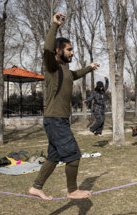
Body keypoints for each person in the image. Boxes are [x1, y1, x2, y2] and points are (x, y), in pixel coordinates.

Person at [28, 12, 100, 200]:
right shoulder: (52, 67)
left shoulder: (66, 70)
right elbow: (46, 49)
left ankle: (37, 187)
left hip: (58, 120)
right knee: (74, 155)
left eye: (72, 49)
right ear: (59, 51)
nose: (72, 52)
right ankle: (72, 190)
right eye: (69, 49)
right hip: (55, 120)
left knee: (53, 156)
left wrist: (90, 68)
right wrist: (55, 25)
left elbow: (75, 75)